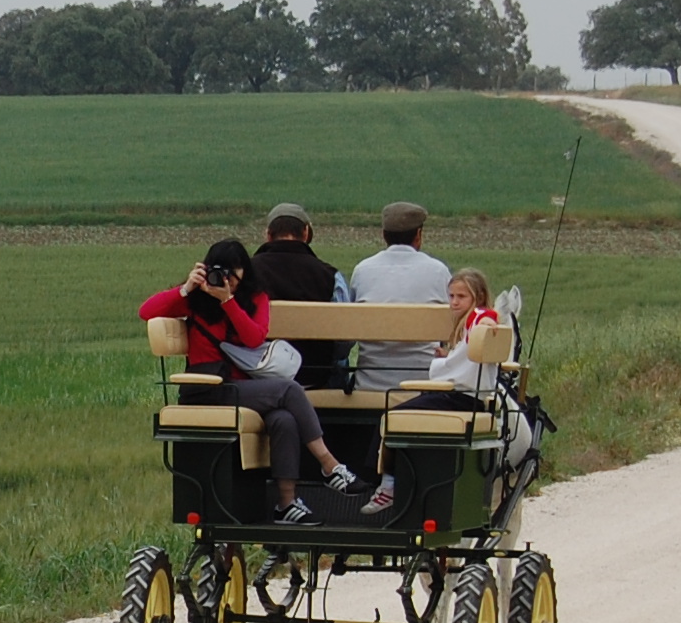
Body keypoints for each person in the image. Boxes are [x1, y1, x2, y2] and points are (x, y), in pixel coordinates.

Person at [138, 238, 363, 525]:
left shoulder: (255, 298)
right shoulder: (194, 298)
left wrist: (228, 302)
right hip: (206, 386)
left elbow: (253, 337)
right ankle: (329, 465)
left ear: (245, 271)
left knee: (283, 418)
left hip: (241, 386)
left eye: (234, 273)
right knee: (289, 390)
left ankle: (286, 503)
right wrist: (185, 289)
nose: (227, 280)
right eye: (220, 272)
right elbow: (146, 312)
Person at [361, 268, 500, 515]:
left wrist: (488, 322)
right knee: (395, 414)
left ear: (477, 298)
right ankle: (386, 482)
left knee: (391, 418)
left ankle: (387, 485)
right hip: (457, 396)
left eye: (461, 297)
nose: (455, 302)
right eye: (452, 296)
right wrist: (449, 356)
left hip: (460, 399)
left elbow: (485, 318)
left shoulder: (476, 317)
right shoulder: (464, 327)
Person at [351, 200, 453, 392]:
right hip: (423, 383)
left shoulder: (363, 270)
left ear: (384, 235)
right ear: (418, 235)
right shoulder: (438, 271)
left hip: (369, 385)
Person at [251, 202, 352, 390]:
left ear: (268, 235)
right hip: (317, 379)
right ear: (305, 233)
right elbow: (344, 342)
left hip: (258, 377)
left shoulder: (246, 273)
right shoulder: (331, 276)